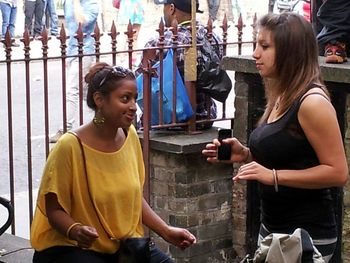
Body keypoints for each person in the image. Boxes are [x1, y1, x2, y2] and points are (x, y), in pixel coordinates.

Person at [202, 12, 348, 262]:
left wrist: (273, 177)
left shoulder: (312, 102)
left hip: (306, 237)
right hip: (273, 229)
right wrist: (246, 154)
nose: (256, 53)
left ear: (291, 52)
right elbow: (290, 152)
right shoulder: (281, 92)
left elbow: (338, 172)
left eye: (265, 46)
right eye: (257, 44)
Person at [31, 62, 197, 262]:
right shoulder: (70, 146)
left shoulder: (130, 136)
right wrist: (75, 230)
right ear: (99, 100)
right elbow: (54, 210)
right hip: (71, 248)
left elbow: (135, 199)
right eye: (125, 99)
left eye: (135, 99)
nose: (133, 107)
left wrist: (166, 231)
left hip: (121, 246)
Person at [143, 0, 222, 129]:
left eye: (165, 7)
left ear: (172, 8)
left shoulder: (160, 42)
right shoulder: (213, 38)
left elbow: (144, 80)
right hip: (205, 117)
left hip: (170, 122)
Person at [49, 0, 99, 143]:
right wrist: (67, 57)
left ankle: (65, 127)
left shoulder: (92, 4)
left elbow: (81, 22)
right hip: (72, 51)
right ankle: (106, 115)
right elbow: (70, 31)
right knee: (86, 91)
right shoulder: (68, 3)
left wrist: (76, 3)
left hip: (85, 51)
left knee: (72, 89)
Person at [118, 0, 144, 65]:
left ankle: (133, 59)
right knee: (125, 36)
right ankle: (122, 58)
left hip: (137, 7)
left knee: (135, 37)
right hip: (127, 7)